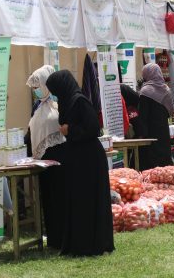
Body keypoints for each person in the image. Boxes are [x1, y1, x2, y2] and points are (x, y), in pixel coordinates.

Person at [46, 70, 114, 256]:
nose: (54, 93)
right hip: (78, 157)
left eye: (55, 89)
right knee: (78, 200)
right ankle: (79, 242)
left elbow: (93, 128)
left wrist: (70, 130)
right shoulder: (67, 102)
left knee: (88, 199)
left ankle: (92, 243)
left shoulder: (79, 101)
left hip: (89, 158)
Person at [26, 65, 67, 249]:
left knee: (60, 199)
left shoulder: (61, 103)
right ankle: (52, 239)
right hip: (43, 162)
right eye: (33, 87)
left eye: (37, 85)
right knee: (48, 200)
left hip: (60, 160)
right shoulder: (38, 105)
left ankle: (63, 238)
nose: (35, 90)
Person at [137, 63, 174, 170]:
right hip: (163, 130)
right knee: (163, 160)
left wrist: (141, 134)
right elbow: (169, 112)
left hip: (150, 132)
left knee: (151, 162)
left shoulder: (145, 91)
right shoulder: (166, 89)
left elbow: (143, 115)